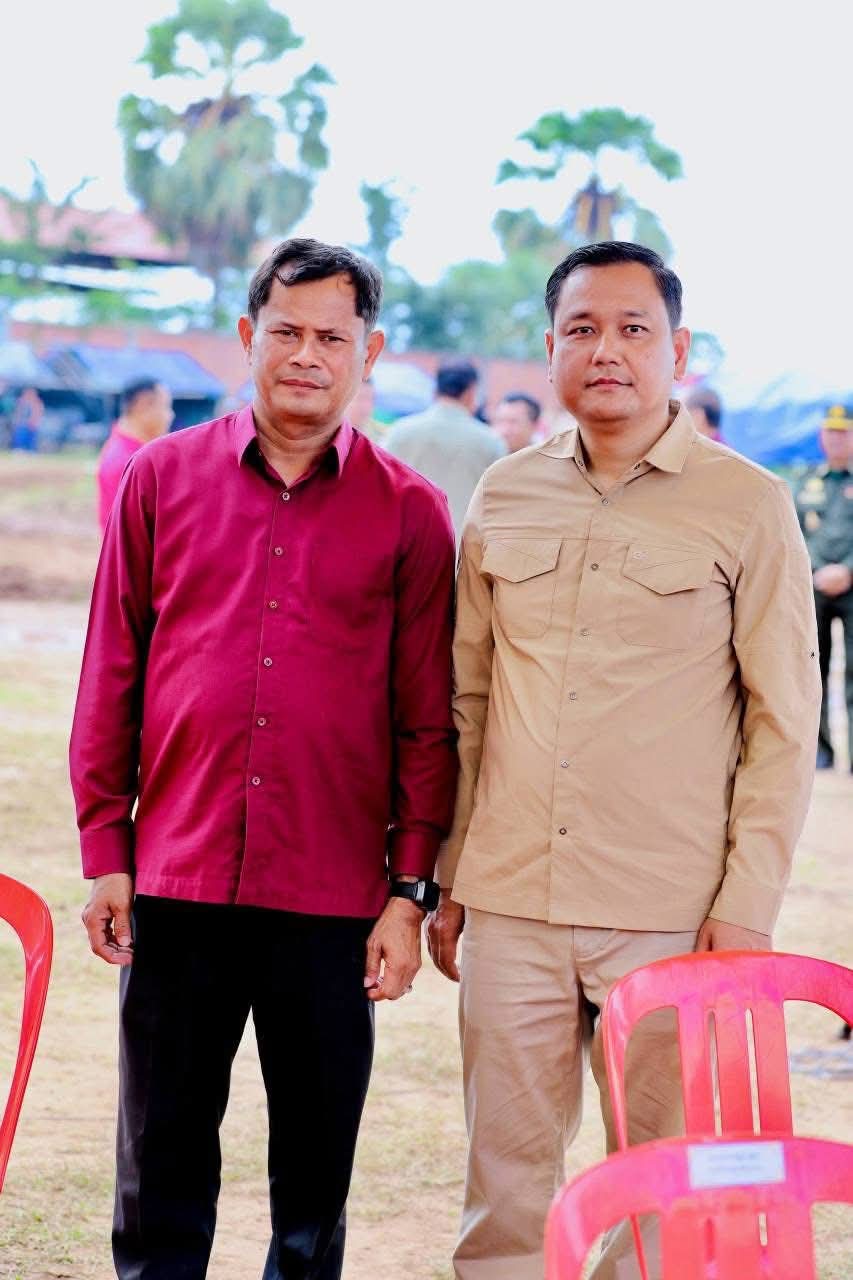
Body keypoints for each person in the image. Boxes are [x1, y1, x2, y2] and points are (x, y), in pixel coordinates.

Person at [427, 241, 821, 1280]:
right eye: (582, 329)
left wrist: (745, 906)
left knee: (664, 1187)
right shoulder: (504, 494)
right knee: (503, 1187)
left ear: (676, 351)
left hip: (669, 908)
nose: (606, 350)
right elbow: (470, 699)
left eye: (632, 329)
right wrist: (454, 872)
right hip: (511, 899)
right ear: (550, 347)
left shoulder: (747, 503)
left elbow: (784, 721)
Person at [70, 237, 457, 1280]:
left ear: (369, 352)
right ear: (247, 336)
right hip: (178, 878)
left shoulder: (410, 512)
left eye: (333, 336)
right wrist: (108, 851)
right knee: (159, 1164)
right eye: (285, 330)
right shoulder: (159, 479)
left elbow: (427, 720)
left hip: (333, 895)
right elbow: (111, 674)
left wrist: (408, 892)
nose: (307, 354)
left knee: (313, 1185)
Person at [384, 359, 506, 543]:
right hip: (463, 550)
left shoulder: (399, 432)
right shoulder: (491, 442)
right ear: (471, 392)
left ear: (437, 388)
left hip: (405, 546)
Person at [794, 404, 853, 770]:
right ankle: (821, 750)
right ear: (821, 437)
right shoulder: (806, 483)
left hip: (852, 585)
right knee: (813, 668)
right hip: (814, 589)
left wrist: (847, 569)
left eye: (843, 432)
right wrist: (817, 570)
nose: (837, 439)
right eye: (831, 432)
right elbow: (793, 532)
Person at [97, 379, 174, 531]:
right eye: (166, 407)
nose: (170, 416)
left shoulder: (127, 451)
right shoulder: (128, 462)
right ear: (144, 406)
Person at [345, 374, 387, 443]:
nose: (366, 406)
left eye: (370, 399)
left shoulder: (382, 438)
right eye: (361, 398)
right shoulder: (329, 433)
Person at [9, 386, 44, 451]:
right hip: (22, 424)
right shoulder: (21, 402)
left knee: (30, 442)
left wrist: (34, 422)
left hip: (32, 425)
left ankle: (30, 450)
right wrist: (16, 422)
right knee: (19, 440)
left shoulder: (37, 402)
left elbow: (38, 413)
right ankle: (19, 449)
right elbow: (17, 413)